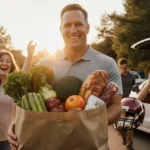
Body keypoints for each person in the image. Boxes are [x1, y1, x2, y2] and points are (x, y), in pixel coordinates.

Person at [7, 4, 123, 150]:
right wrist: (16, 122)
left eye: (78, 24)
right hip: (50, 144)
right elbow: (25, 100)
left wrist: (90, 121)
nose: (73, 30)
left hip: (92, 145)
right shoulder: (45, 64)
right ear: (60, 29)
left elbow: (116, 106)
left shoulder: (107, 64)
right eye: (67, 25)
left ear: (87, 28)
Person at [0, 50, 19, 150]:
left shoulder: (14, 85)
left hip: (9, 137)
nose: (4, 63)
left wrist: (29, 55)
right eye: (1, 60)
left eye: (8, 61)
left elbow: (24, 74)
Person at [117, 58, 136, 150]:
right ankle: (124, 136)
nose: (124, 69)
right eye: (122, 68)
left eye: (126, 67)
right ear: (119, 67)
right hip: (118, 103)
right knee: (118, 126)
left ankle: (129, 144)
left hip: (129, 103)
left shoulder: (132, 77)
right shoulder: (116, 76)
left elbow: (134, 89)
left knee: (129, 125)